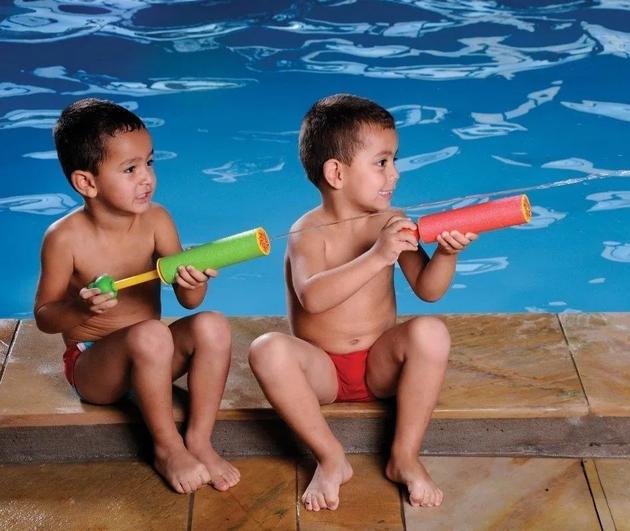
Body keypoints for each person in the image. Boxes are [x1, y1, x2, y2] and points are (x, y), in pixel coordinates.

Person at [248, 94, 476, 511]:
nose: (395, 173)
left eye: (394, 160)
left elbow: (428, 289)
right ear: (336, 172)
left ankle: (404, 457)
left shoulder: (390, 222)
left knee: (431, 332)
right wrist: (377, 256)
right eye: (382, 162)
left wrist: (446, 254)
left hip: (378, 364)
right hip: (323, 373)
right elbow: (312, 298)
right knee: (266, 349)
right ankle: (331, 458)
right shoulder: (307, 232)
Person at [34, 98, 239, 494]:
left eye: (149, 162)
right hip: (96, 366)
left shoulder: (157, 220)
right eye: (130, 169)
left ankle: (198, 439)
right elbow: (44, 316)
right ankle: (167, 447)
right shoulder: (64, 239)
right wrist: (79, 306)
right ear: (87, 183)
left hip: (154, 358)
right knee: (150, 333)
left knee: (213, 325)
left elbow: (189, 302)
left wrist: (193, 279)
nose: (146, 178)